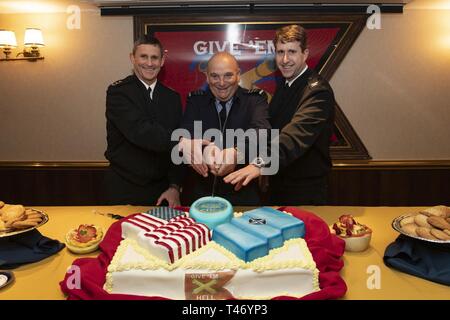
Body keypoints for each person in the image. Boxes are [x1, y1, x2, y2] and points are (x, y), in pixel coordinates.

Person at [224, 24, 336, 205]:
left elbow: (293, 136)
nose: (285, 59)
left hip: (306, 190)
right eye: (280, 52)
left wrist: (259, 164)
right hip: (279, 184)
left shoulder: (317, 91)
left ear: (305, 54)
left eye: (292, 52)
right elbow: (269, 131)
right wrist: (238, 152)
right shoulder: (285, 84)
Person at [178, 52, 270, 205]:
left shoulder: (255, 100)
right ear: (207, 77)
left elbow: (262, 132)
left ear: (238, 75)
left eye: (228, 75)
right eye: (215, 76)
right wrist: (203, 151)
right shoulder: (195, 101)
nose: (221, 83)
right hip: (199, 196)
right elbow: (185, 134)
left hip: (242, 196)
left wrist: (236, 153)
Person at [103, 36, 183, 206]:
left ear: (162, 61)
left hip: (162, 191)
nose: (149, 63)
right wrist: (183, 142)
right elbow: (142, 132)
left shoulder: (172, 98)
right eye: (143, 57)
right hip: (124, 187)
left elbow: (176, 152)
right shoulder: (119, 93)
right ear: (132, 58)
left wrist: (175, 186)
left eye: (154, 57)